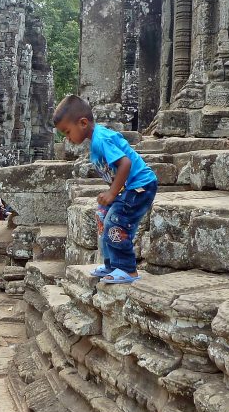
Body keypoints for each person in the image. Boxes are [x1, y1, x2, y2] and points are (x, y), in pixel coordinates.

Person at [53, 95, 158, 284]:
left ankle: (127, 269)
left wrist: (112, 193)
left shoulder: (101, 140)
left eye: (67, 132)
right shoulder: (95, 141)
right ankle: (112, 265)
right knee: (103, 216)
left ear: (83, 123)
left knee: (116, 223)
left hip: (140, 186)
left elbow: (125, 164)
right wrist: (112, 194)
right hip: (128, 188)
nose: (67, 139)